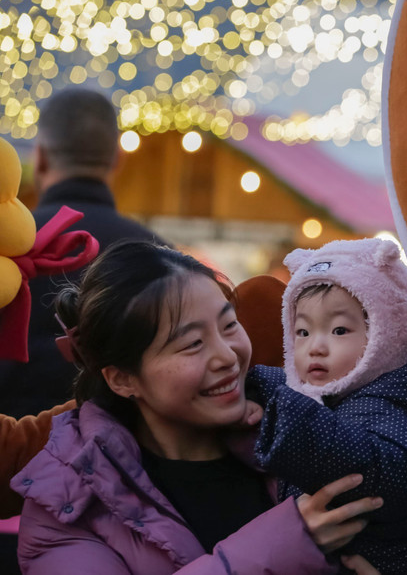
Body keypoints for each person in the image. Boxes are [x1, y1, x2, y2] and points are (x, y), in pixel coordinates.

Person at [12, 241, 381, 574]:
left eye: (229, 325)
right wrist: (286, 544)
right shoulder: (69, 507)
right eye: (192, 344)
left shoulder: (303, 432)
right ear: (123, 379)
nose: (227, 356)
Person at [249, 238, 407, 575]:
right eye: (302, 331)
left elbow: (378, 466)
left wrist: (286, 409)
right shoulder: (338, 398)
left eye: (339, 330)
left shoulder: (396, 407)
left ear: (385, 337)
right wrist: (262, 386)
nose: (316, 347)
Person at [0, 89, 166, 419]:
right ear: (118, 158)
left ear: (41, 158)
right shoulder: (162, 258)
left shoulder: (7, 249)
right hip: (122, 461)